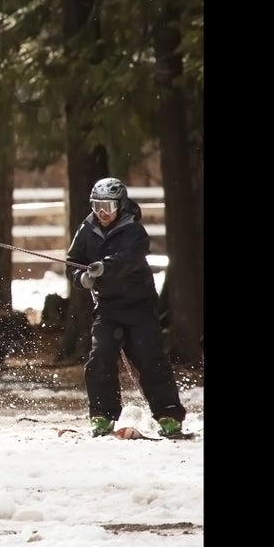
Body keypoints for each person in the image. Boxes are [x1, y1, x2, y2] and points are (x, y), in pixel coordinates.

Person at [65, 177, 187, 438]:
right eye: (96, 206)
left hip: (139, 307)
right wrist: (82, 278)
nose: (101, 212)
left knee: (150, 357)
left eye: (107, 206)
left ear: (120, 205)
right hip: (107, 309)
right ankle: (102, 415)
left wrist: (105, 266)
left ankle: (168, 414)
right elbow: (73, 263)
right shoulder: (86, 230)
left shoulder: (134, 230)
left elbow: (130, 258)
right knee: (100, 358)